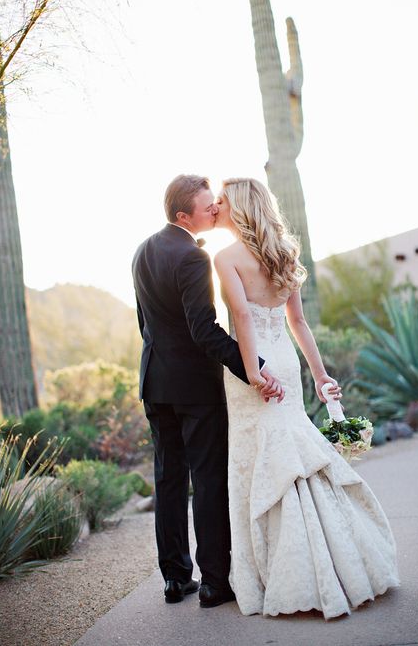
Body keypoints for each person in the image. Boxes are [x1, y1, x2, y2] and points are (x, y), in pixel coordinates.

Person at [131, 175, 327, 609]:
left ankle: (175, 577)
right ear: (184, 215)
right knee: (206, 479)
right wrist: (253, 366)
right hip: (195, 388)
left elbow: (146, 324)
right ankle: (215, 581)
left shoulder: (143, 250)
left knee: (167, 479)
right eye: (207, 206)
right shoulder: (195, 257)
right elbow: (206, 331)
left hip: (154, 383)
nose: (214, 211)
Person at [213, 177, 401, 619]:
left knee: (261, 457)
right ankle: (342, 560)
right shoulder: (284, 253)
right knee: (295, 453)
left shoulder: (224, 258)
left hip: (253, 363)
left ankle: (284, 570)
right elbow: (298, 322)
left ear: (238, 207)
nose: (216, 206)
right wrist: (320, 376)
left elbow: (241, 315)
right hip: (285, 362)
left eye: (222, 200)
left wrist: (253, 372)